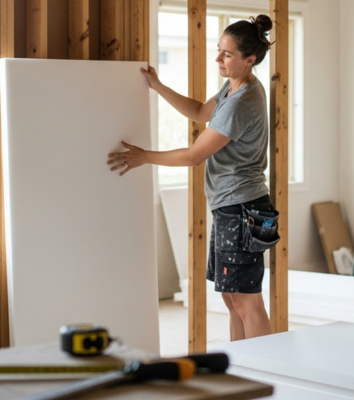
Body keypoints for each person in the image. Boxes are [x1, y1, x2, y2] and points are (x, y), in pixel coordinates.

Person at [107, 15, 275, 341]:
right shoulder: (235, 86)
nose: (218, 59)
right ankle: (242, 370)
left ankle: (266, 377)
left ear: (249, 59)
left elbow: (195, 156)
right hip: (241, 207)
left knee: (246, 303)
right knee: (233, 299)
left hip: (243, 209)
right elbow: (200, 111)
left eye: (226, 54)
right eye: (218, 50)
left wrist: (145, 157)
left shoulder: (242, 102)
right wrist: (158, 87)